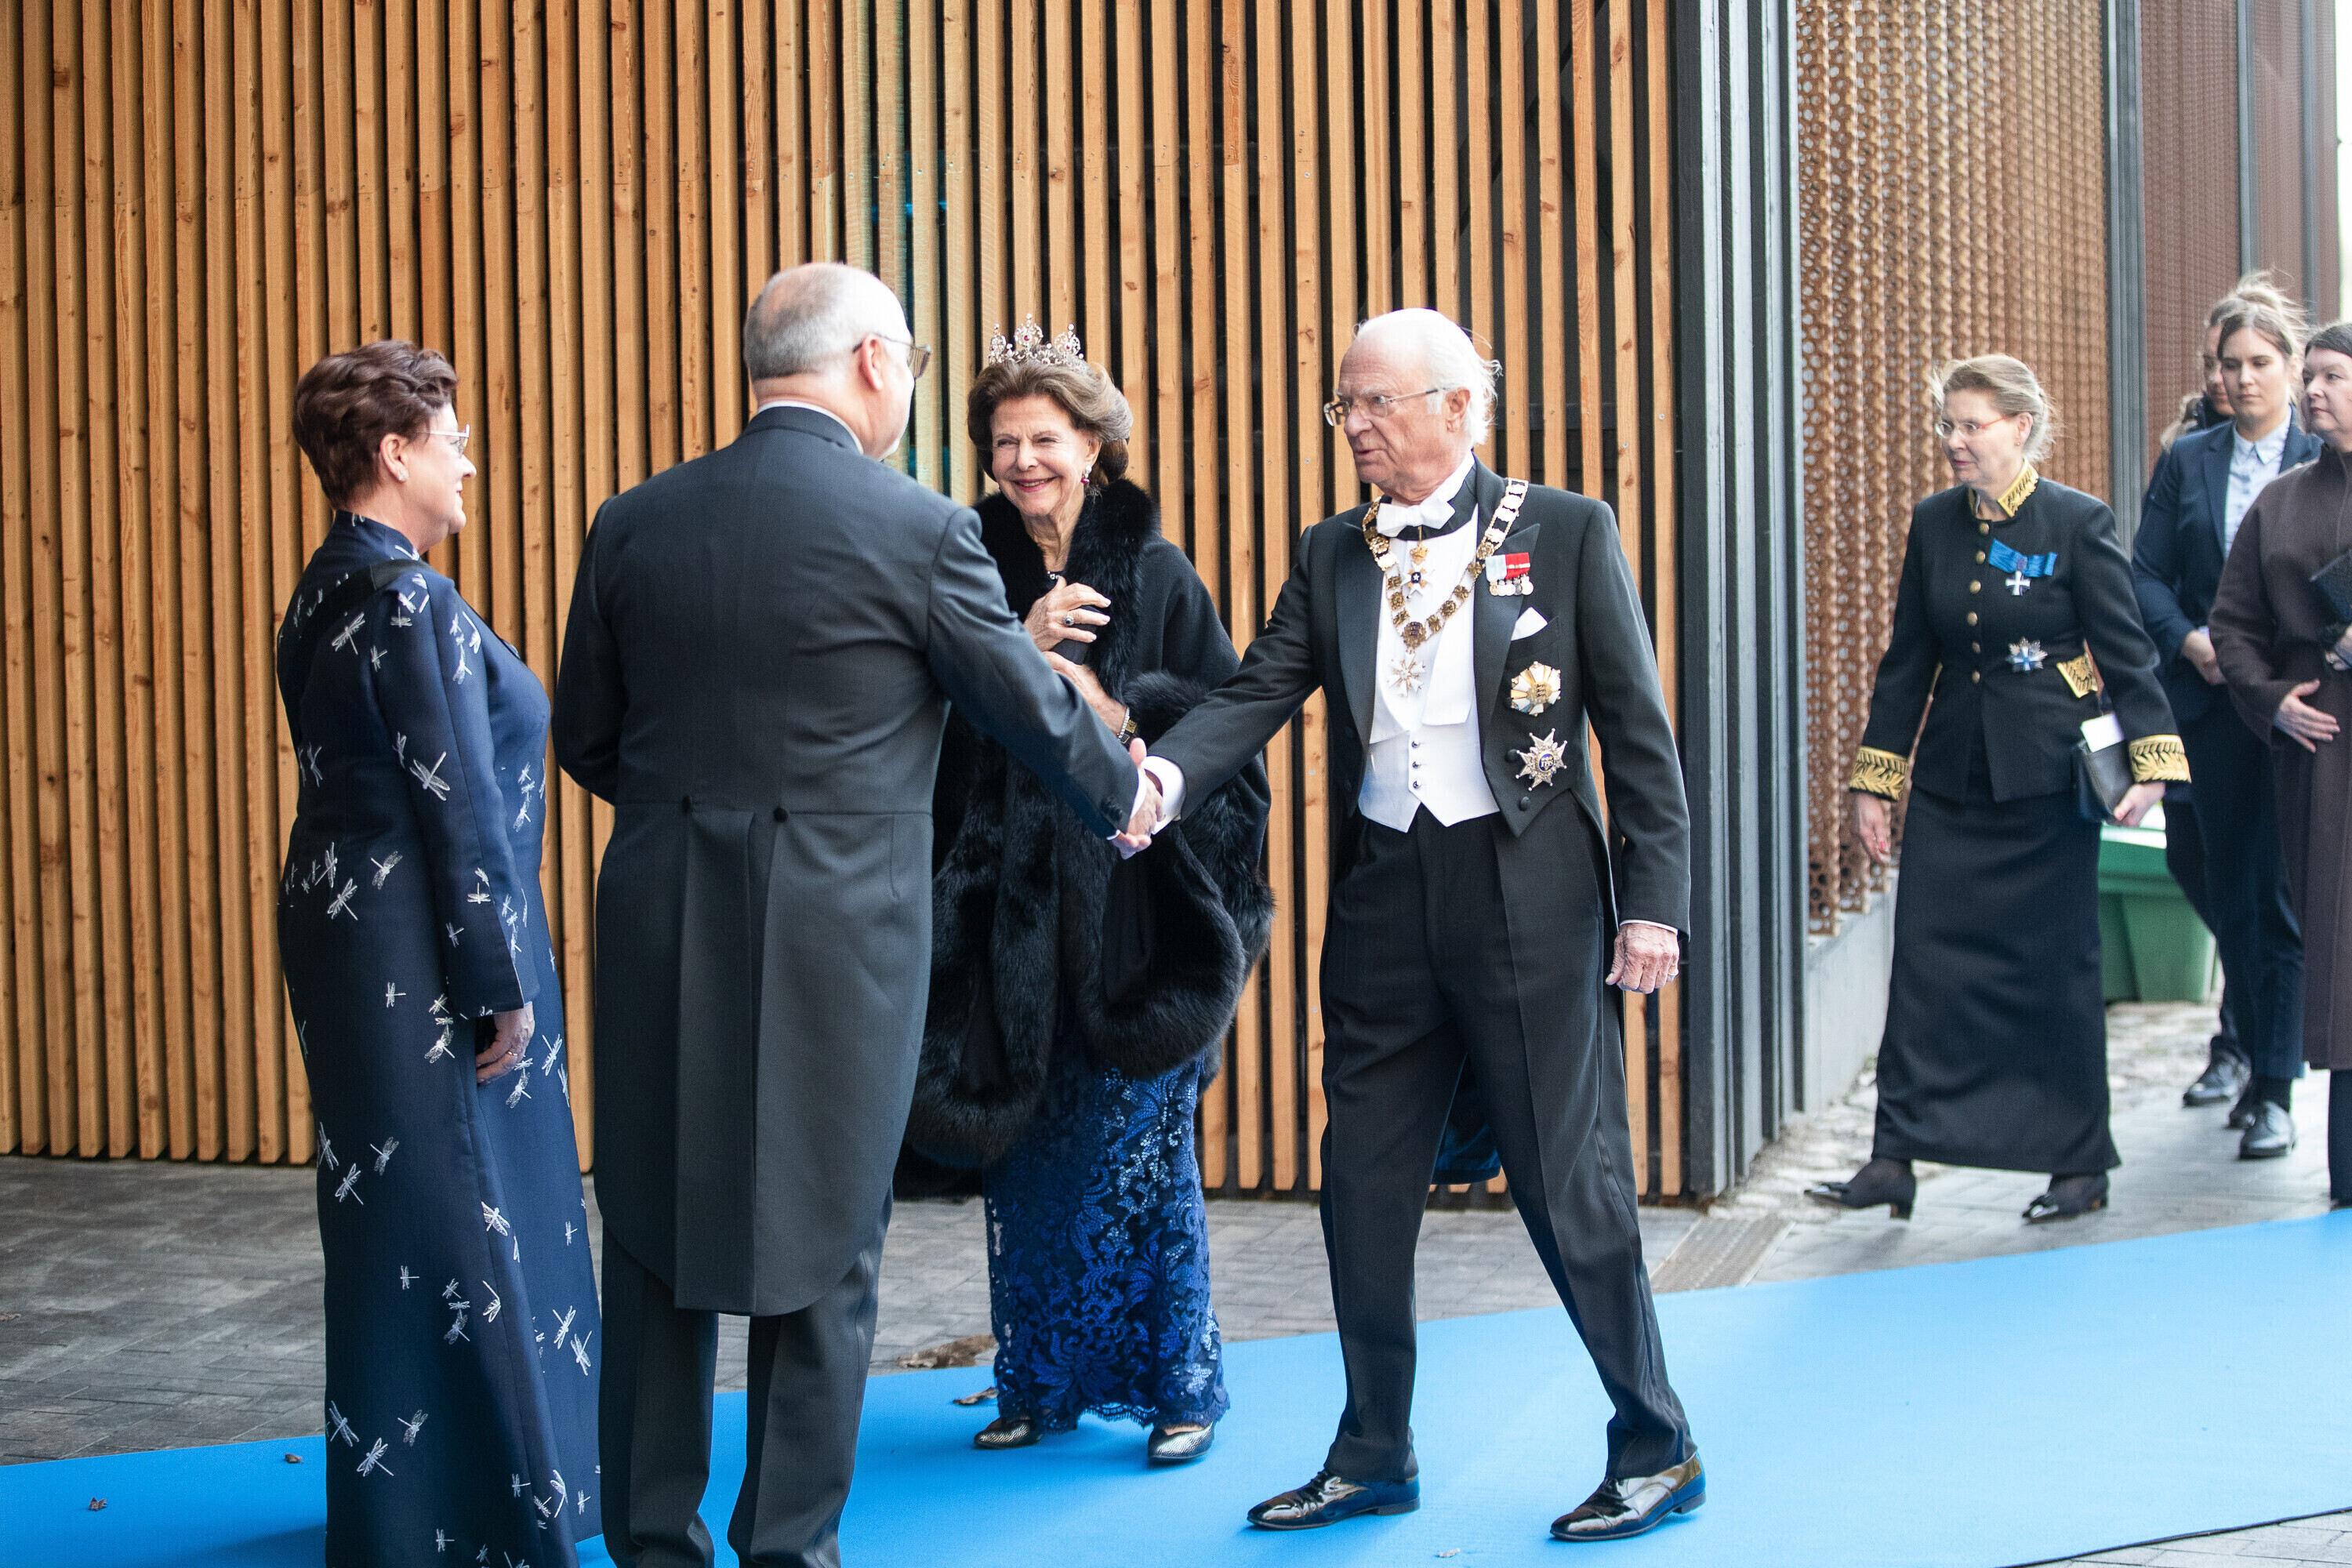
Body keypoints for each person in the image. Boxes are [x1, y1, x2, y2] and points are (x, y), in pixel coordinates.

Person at [551, 263, 1147, 1568]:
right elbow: (1026, 705)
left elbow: (587, 734)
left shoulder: (633, 521)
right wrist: (1129, 794)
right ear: (877, 362)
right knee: (827, 1238)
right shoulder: (916, 529)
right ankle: (788, 1548)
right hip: (841, 935)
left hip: (658, 919)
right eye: (914, 365)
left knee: (648, 1229)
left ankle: (650, 1543)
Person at [1130, 307, 1702, 1543]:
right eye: (1345, 404)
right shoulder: (1332, 550)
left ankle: (1657, 1442)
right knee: (1361, 1182)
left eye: (1376, 402)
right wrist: (1161, 782)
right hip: (1385, 893)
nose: (1356, 425)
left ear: (1460, 405)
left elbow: (1638, 733)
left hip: (1530, 896)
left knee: (1566, 1180)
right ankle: (1372, 1449)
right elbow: (1258, 690)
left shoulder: (1565, 530)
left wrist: (1653, 904)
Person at [903, 320, 1271, 1465]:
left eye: (1046, 439)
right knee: (1026, 1166)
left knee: (1142, 1165)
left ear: (1096, 444)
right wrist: (1010, 649)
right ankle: (1042, 1382)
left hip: (1133, 924)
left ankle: (1181, 1390)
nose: (1023, 462)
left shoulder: (1158, 574)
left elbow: (1226, 735)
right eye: (1004, 441)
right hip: (1004, 922)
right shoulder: (967, 567)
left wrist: (1115, 711)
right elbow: (919, 728)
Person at [276, 341, 601, 1566]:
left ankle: (405, 1513)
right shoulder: (410, 600)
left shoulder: (323, 590)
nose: (467, 463)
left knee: (397, 1218)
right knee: (476, 1216)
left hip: (347, 937)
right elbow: (454, 806)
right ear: (395, 452)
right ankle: (502, 1513)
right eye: (452, 440)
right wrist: (497, 986)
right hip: (425, 951)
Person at [1813, 356, 2185, 1227]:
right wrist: (1876, 780)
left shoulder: (2078, 522)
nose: (1954, 440)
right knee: (1925, 968)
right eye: (1947, 424)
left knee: (2056, 972)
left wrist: (2155, 762)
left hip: (2045, 784)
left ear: (2020, 426)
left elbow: (2125, 650)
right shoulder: (1933, 522)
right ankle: (1894, 1156)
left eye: (1971, 425)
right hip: (1952, 782)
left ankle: (2078, 1162)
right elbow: (1908, 661)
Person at [2133, 298, 2315, 1153]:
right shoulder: (2189, 459)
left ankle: (2275, 1084)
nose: (2240, 379)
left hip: (2293, 705)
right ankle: (2247, 1044)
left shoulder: (2321, 460)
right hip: (2208, 701)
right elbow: (2146, 573)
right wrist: (2190, 640)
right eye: (2229, 364)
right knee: (2223, 885)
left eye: (2259, 364)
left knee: (2278, 894)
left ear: (2292, 368)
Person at [2210, 318, 2352, 1207]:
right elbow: (2233, 623)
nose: (2315, 390)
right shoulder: (2283, 501)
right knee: (2338, 947)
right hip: (2324, 755)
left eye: (2334, 376)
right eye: (2314, 376)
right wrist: (2272, 701)